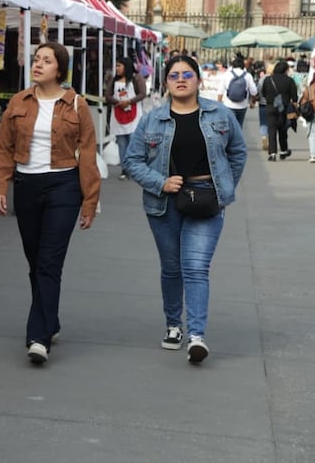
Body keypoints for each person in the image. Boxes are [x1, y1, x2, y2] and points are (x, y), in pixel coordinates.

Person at [123, 54, 247, 364]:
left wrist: (224, 189)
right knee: (172, 266)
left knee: (195, 267)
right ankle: (173, 324)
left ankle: (196, 336)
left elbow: (238, 152)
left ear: (198, 80)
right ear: (165, 82)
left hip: (206, 199)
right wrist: (159, 182)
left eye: (187, 74)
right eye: (174, 75)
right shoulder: (152, 119)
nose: (181, 79)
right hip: (165, 202)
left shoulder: (219, 114)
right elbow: (132, 160)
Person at [0, 41, 101, 365]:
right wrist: (1, 185)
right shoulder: (18, 102)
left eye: (46, 61)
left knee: (49, 261)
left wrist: (89, 201)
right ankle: (49, 319)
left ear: (59, 69)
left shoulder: (76, 105)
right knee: (34, 260)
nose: (38, 65)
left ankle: (38, 337)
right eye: (36, 59)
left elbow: (89, 155)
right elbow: (3, 148)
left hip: (63, 187)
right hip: (27, 185)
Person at [105, 56, 147, 179]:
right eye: (116, 66)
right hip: (118, 114)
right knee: (122, 143)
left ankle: (134, 167)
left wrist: (129, 101)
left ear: (126, 66)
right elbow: (108, 95)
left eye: (119, 66)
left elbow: (143, 93)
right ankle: (125, 169)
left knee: (133, 142)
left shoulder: (136, 78)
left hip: (134, 115)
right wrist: (117, 102)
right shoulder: (114, 80)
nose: (117, 68)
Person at [261, 60, 298, 161]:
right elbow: (294, 96)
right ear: (286, 70)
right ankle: (283, 151)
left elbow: (263, 93)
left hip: (270, 106)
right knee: (282, 129)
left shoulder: (268, 80)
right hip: (284, 108)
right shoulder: (289, 80)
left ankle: (272, 153)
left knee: (271, 130)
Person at [216, 55, 257, 127]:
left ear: (232, 65)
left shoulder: (227, 74)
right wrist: (252, 102)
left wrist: (219, 103)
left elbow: (220, 90)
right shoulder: (248, 75)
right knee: (239, 126)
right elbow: (254, 91)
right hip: (243, 105)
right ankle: (238, 137)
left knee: (230, 126)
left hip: (229, 104)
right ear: (243, 66)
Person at [298, 74, 315, 162]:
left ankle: (313, 155)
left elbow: (303, 100)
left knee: (312, 134)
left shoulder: (309, 88)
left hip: (312, 112)